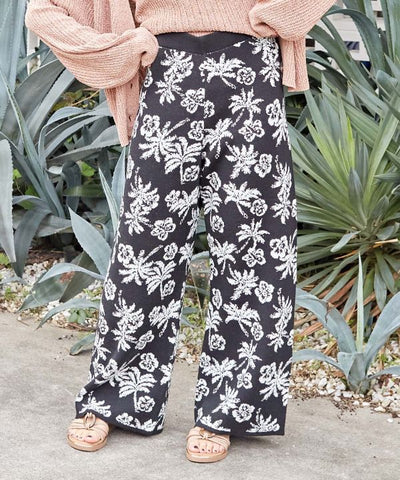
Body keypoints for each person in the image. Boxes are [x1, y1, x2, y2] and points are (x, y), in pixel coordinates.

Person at [25, 0, 336, 463]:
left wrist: (276, 15)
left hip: (248, 73)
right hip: (166, 73)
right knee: (143, 252)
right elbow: (43, 10)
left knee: (254, 251)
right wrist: (118, 50)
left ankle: (229, 410)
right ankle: (116, 396)